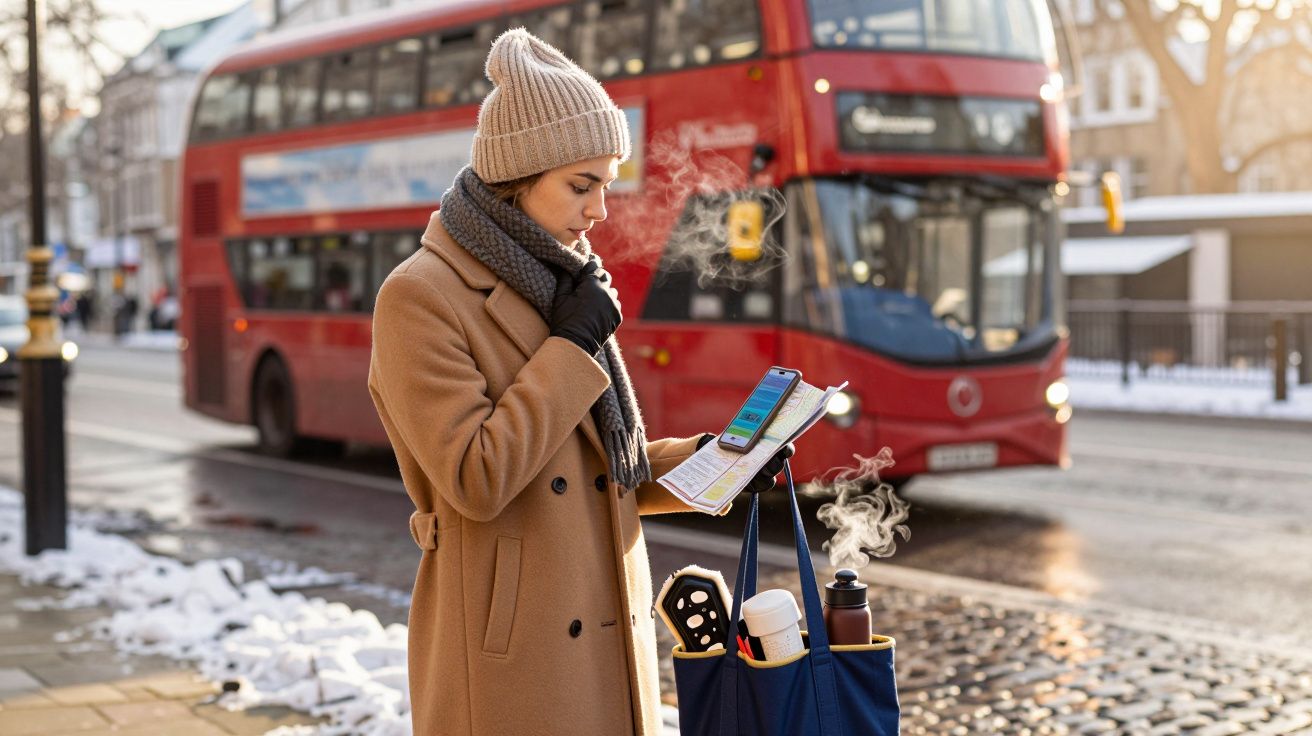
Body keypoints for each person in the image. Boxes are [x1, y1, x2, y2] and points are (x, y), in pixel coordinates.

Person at [368, 29, 792, 736]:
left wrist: (719, 462)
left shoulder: (560, 284)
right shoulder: (421, 296)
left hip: (608, 636)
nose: (600, 211)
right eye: (581, 185)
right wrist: (571, 343)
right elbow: (477, 477)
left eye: (606, 184)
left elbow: (605, 475)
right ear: (517, 178)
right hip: (511, 661)